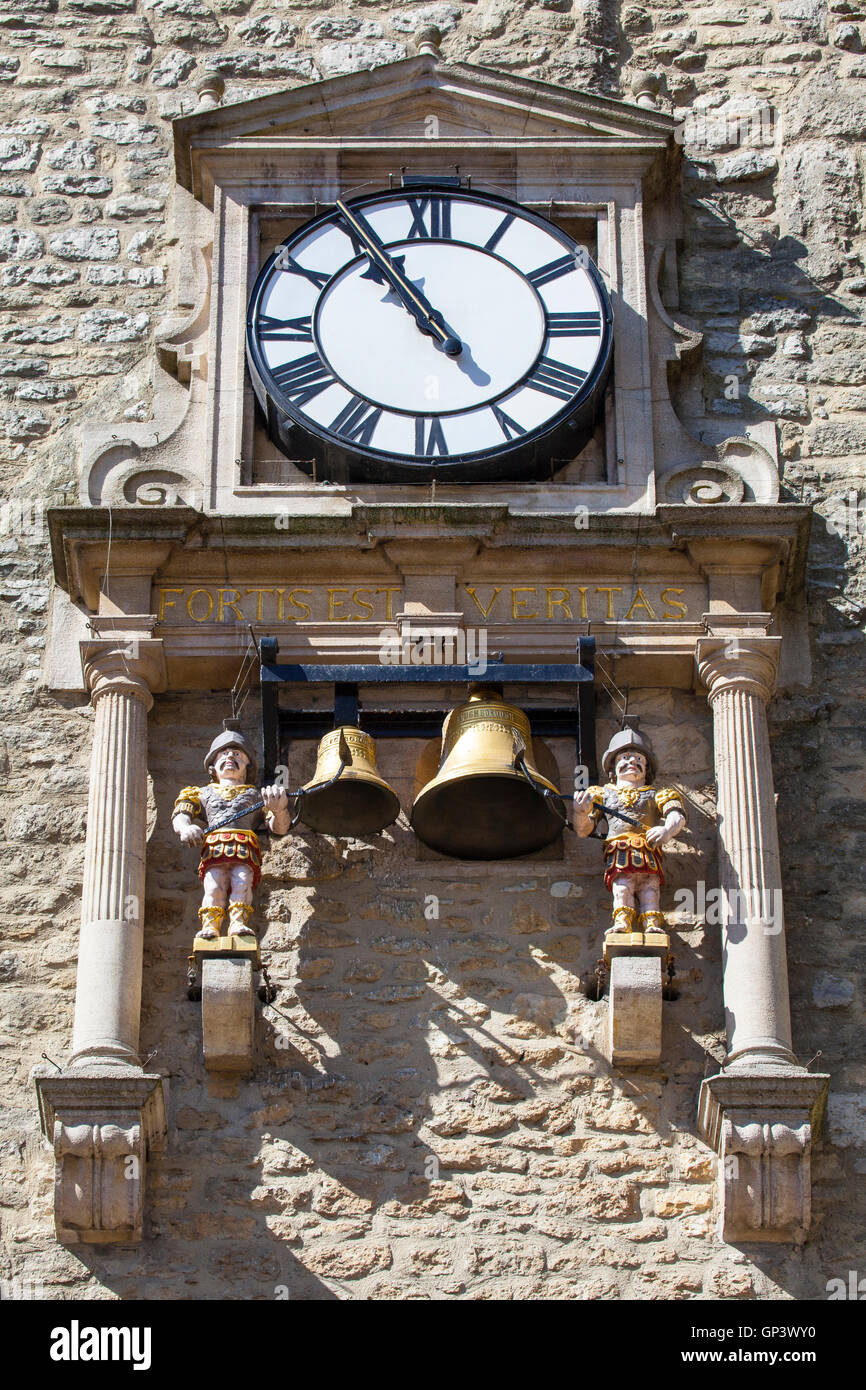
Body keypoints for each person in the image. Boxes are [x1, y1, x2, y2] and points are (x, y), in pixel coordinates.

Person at [172, 728, 290, 940]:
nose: (229, 757)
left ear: (247, 765)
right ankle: (210, 926)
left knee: (242, 882)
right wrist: (186, 828)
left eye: (237, 755)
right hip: (215, 847)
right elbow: (181, 814)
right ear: (213, 765)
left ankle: (237, 923)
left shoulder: (255, 795)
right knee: (214, 885)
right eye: (223, 754)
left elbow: (278, 828)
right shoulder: (201, 793)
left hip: (244, 847)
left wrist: (279, 810)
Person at [573, 728, 685, 935]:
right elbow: (583, 830)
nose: (631, 762)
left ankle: (652, 923)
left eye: (638, 758)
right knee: (622, 887)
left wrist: (667, 830)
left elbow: (676, 816)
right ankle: (622, 923)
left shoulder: (657, 794)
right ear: (613, 768)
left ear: (646, 767)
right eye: (624, 758)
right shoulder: (601, 794)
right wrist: (581, 813)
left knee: (650, 888)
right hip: (619, 851)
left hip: (647, 850)